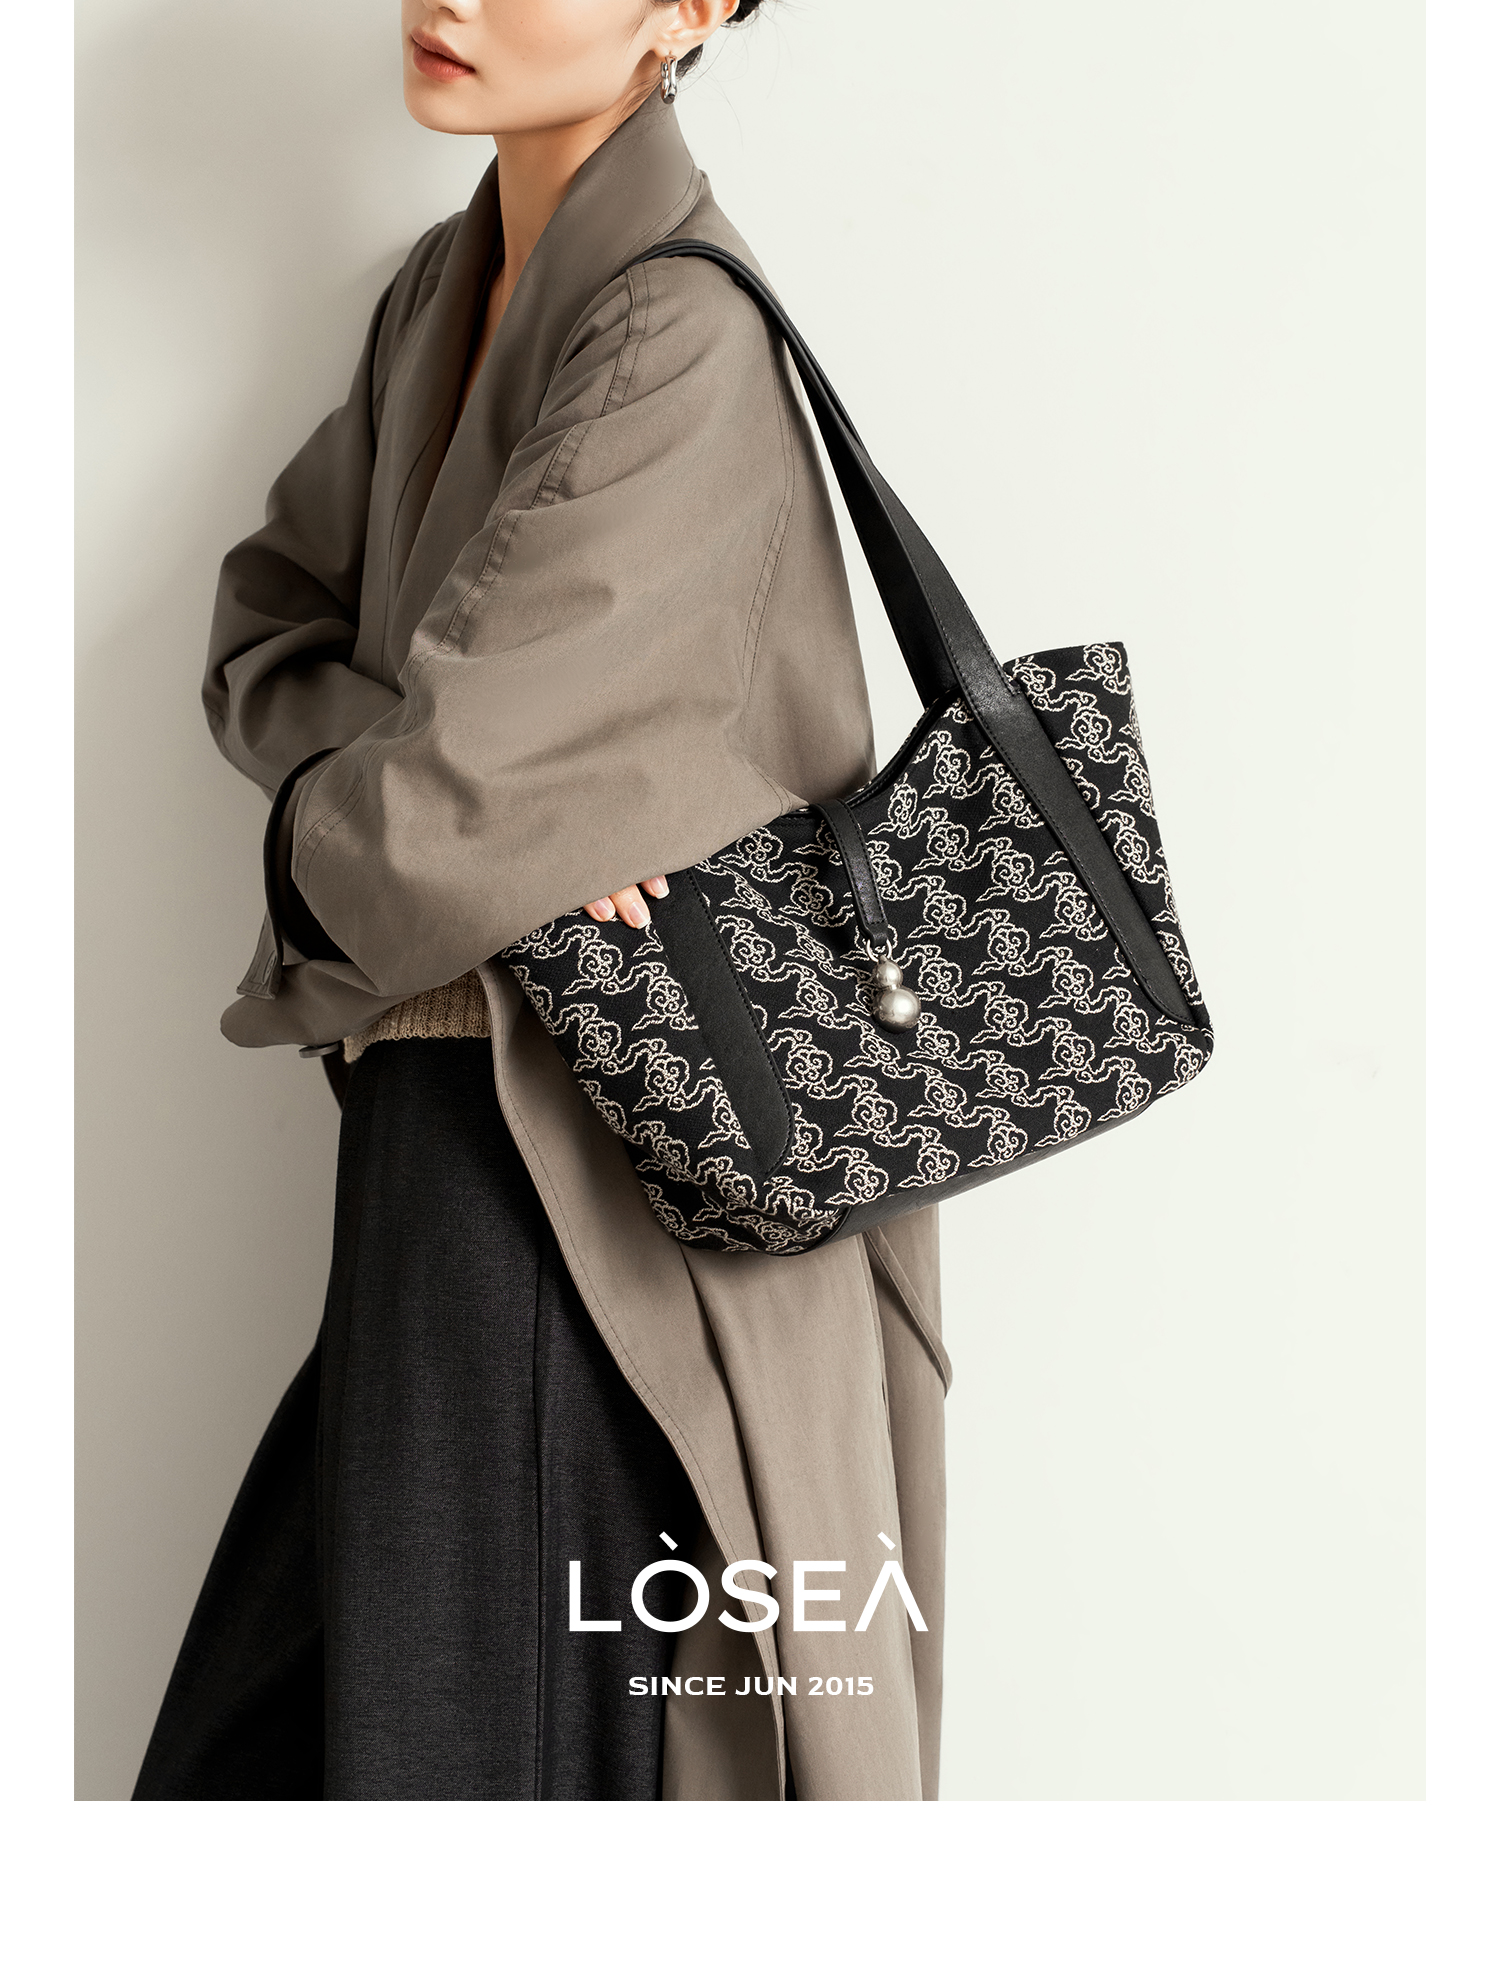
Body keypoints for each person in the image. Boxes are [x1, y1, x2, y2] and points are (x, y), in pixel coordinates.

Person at [135, 0, 947, 1803]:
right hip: (442, 1148)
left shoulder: (678, 330)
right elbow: (268, 637)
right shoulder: (439, 294)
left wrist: (449, 816)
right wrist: (480, 807)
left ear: (691, 10)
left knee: (452, 1778)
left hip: (568, 1189)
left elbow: (440, 818)